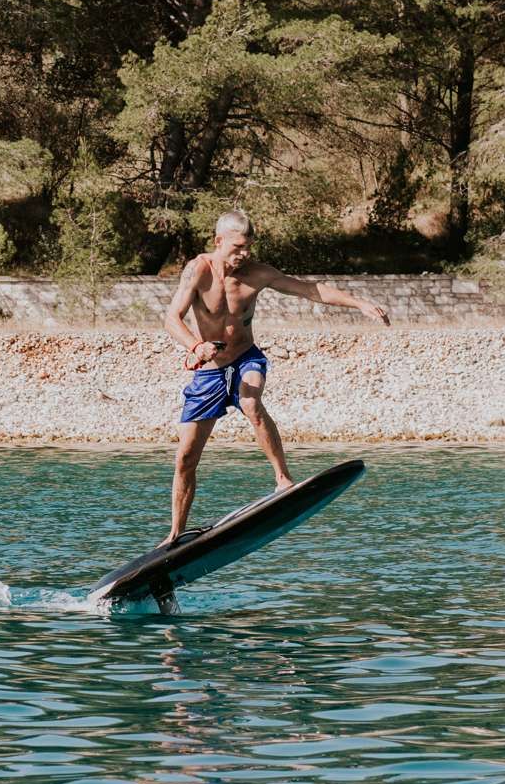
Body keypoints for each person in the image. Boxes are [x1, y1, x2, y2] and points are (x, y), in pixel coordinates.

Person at [161, 210, 389, 541]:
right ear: (218, 241)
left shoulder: (258, 274)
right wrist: (196, 347)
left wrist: (360, 304)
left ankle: (283, 479)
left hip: (245, 357)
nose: (244, 254)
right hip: (209, 371)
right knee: (185, 458)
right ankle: (175, 535)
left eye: (249, 247)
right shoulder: (198, 270)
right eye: (238, 247)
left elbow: (311, 290)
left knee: (250, 402)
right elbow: (171, 318)